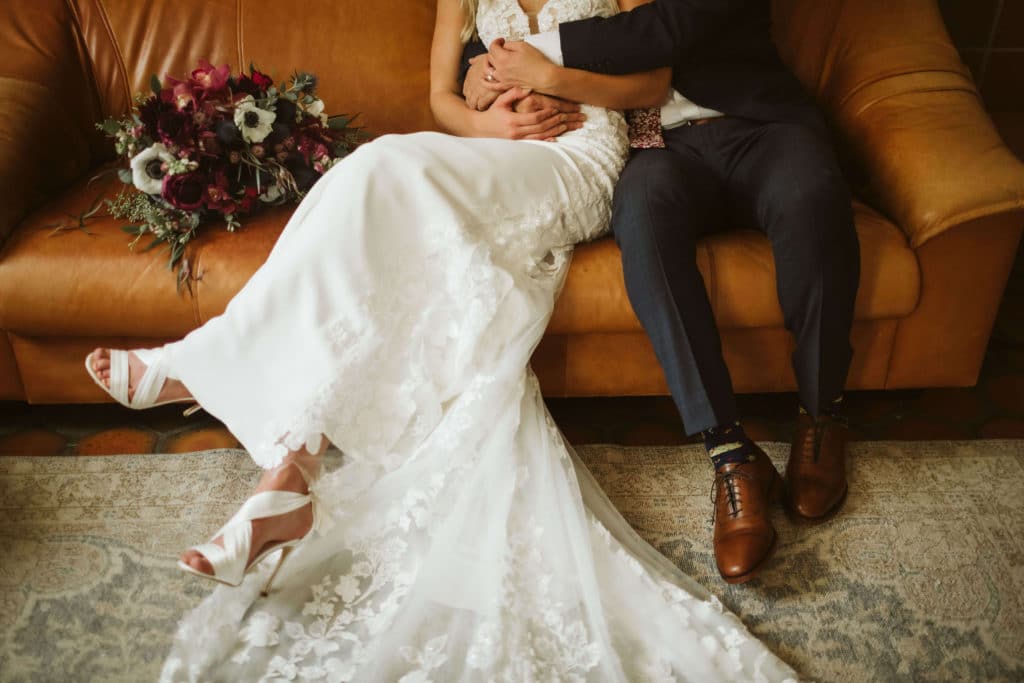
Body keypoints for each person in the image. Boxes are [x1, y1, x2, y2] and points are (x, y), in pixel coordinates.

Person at [87, 0, 799, 679]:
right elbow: (441, 100)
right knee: (365, 179)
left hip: (578, 160)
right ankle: (289, 475)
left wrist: (548, 78)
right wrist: (490, 121)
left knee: (382, 170)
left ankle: (205, 367)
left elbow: (654, 77)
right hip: (496, 150)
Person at [464, 0, 860, 585]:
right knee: (642, 216)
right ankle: (730, 454)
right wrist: (481, 69)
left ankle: (822, 414)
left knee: (811, 198)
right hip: (659, 152)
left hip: (760, 128)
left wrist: (523, 58)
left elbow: (660, 30)